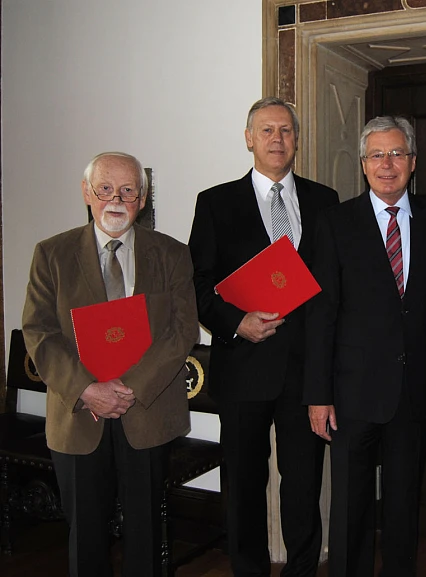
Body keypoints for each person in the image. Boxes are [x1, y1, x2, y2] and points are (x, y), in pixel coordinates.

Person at [21, 151, 198, 577]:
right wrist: (88, 389)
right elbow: (39, 332)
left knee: (146, 532)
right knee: (84, 535)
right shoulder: (52, 254)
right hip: (79, 415)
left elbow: (181, 330)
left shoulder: (171, 254)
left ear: (142, 196)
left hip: (148, 411)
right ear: (87, 192)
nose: (114, 199)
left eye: (127, 190)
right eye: (104, 189)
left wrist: (130, 388)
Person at [304, 116, 426, 577]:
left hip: (414, 389)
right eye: (377, 155)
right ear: (362, 164)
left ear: (413, 162)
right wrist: (318, 393)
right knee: (349, 507)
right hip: (350, 394)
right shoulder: (334, 223)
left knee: (403, 505)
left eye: (396, 154)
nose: (386, 164)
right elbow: (321, 313)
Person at [188, 97, 339, 577]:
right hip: (242, 366)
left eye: (287, 131)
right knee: (246, 485)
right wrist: (236, 322)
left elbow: (333, 286)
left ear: (297, 140)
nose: (278, 139)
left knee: (303, 483)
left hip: (306, 371)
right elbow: (198, 284)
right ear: (249, 138)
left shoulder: (325, 201)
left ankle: (301, 570)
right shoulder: (215, 202)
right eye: (267, 130)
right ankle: (248, 570)